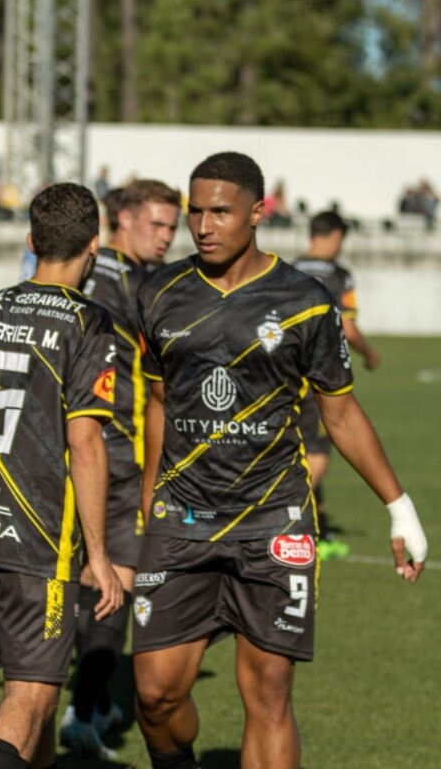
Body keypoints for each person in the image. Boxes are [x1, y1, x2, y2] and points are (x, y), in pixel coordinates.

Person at [133, 152, 428, 769]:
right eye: (196, 211)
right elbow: (159, 399)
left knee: (268, 692)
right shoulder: (158, 292)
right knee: (156, 695)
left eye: (221, 211)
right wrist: (148, 490)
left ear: (258, 213)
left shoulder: (305, 299)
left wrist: (400, 509)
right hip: (180, 519)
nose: (204, 225)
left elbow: (341, 414)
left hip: (273, 520)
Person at [0, 182, 123, 769]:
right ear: (94, 248)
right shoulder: (89, 324)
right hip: (40, 541)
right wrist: (100, 557)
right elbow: (84, 442)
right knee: (29, 699)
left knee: (36, 685)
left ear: (31, 241)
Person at [59, 179, 179, 758]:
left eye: (171, 227)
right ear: (121, 220)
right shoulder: (136, 284)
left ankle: (89, 696)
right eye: (156, 224)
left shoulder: (78, 271)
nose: (168, 236)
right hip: (119, 454)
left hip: (64, 447)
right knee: (116, 583)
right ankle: (81, 712)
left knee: (85, 581)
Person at [293, 210, 381, 562]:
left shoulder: (288, 269)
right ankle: (276, 518)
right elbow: (349, 329)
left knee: (294, 448)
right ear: (335, 237)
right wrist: (370, 355)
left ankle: (320, 527)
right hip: (318, 376)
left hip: (282, 373)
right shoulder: (339, 275)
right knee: (317, 453)